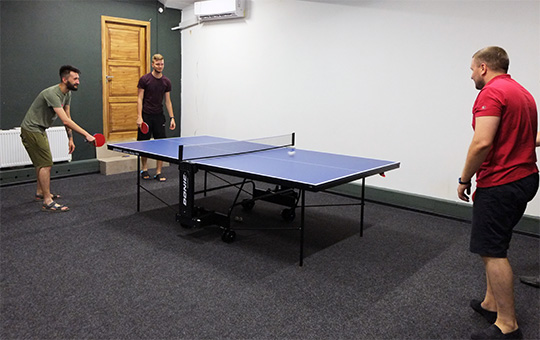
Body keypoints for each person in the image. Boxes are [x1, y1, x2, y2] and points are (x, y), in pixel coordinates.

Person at [457, 46, 538, 340]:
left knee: (493, 251)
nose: (470, 75)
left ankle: (507, 325)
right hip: (526, 177)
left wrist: (464, 178)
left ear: (483, 68)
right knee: (492, 242)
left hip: (501, 182)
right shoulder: (523, 93)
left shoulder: (491, 93)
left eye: (471, 69)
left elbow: (481, 143)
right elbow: (533, 136)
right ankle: (491, 303)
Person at [20, 65, 95, 212]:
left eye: (78, 79)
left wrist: (70, 139)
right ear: (64, 79)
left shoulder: (67, 94)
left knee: (41, 163)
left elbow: (67, 117)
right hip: (31, 130)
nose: (78, 82)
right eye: (75, 79)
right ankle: (47, 201)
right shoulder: (52, 94)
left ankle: (40, 192)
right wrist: (86, 134)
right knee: (46, 164)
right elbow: (66, 121)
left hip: (40, 129)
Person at [136, 53, 176, 182]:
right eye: (157, 64)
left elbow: (168, 101)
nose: (160, 66)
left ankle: (158, 172)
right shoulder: (144, 79)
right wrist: (139, 117)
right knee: (144, 144)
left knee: (161, 145)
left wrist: (172, 117)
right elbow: (139, 98)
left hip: (159, 117)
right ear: (152, 64)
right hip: (146, 116)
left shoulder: (166, 82)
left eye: (162, 64)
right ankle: (145, 169)